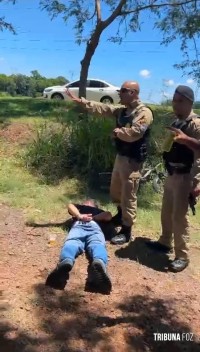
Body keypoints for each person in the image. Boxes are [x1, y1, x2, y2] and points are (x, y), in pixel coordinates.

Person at [66, 81, 153, 245]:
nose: (119, 93)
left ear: (133, 93)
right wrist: (82, 102)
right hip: (121, 157)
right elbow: (103, 108)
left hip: (133, 161)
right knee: (116, 190)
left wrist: (118, 132)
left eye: (123, 90)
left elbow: (135, 133)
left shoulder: (144, 112)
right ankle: (120, 216)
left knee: (128, 195)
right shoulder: (122, 111)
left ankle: (126, 230)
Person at [146, 85, 200, 272]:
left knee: (179, 217)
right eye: (174, 101)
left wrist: (198, 182)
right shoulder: (177, 122)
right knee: (167, 212)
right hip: (171, 174)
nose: (175, 105)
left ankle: (182, 255)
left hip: (187, 176)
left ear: (189, 102)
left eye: (179, 101)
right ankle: (165, 242)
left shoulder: (196, 124)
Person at [45, 199, 112, 292]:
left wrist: (94, 218)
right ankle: (66, 262)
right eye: (86, 202)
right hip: (79, 224)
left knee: (96, 244)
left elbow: (108, 215)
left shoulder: (99, 211)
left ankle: (99, 264)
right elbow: (70, 206)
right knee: (73, 242)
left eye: (90, 202)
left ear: (95, 206)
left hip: (94, 226)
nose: (88, 203)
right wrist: (80, 215)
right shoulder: (80, 208)